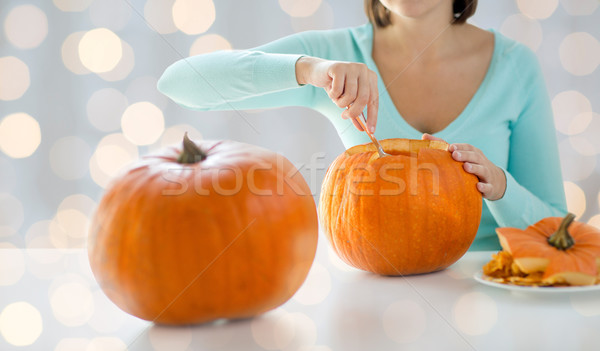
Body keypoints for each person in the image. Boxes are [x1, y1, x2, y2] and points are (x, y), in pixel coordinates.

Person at [157, 0, 567, 250]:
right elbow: (179, 82)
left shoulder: (515, 66)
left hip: (494, 292)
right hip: (375, 297)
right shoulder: (334, 54)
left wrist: (499, 186)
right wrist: (309, 69)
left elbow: (557, 231)